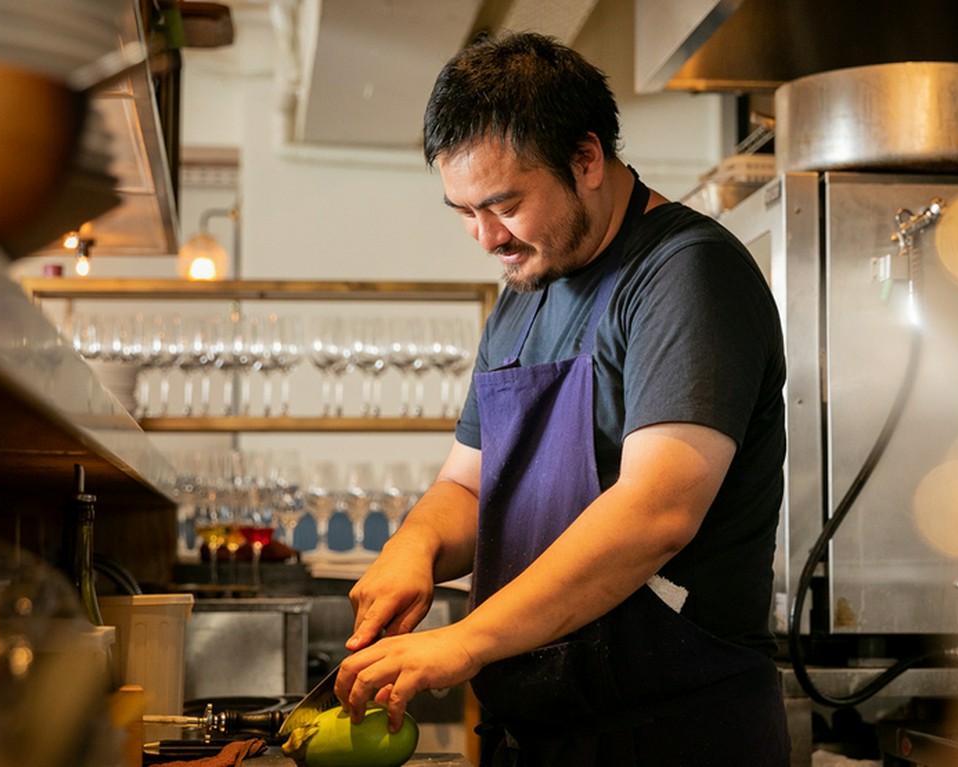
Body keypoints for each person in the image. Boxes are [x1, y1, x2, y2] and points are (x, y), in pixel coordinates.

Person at [333, 31, 790, 766]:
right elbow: (466, 483)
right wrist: (411, 547)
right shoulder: (524, 291)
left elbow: (658, 511)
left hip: (671, 736)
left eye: (503, 204)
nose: (485, 237)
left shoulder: (685, 276)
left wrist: (465, 640)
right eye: (463, 210)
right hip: (543, 734)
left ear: (586, 161)